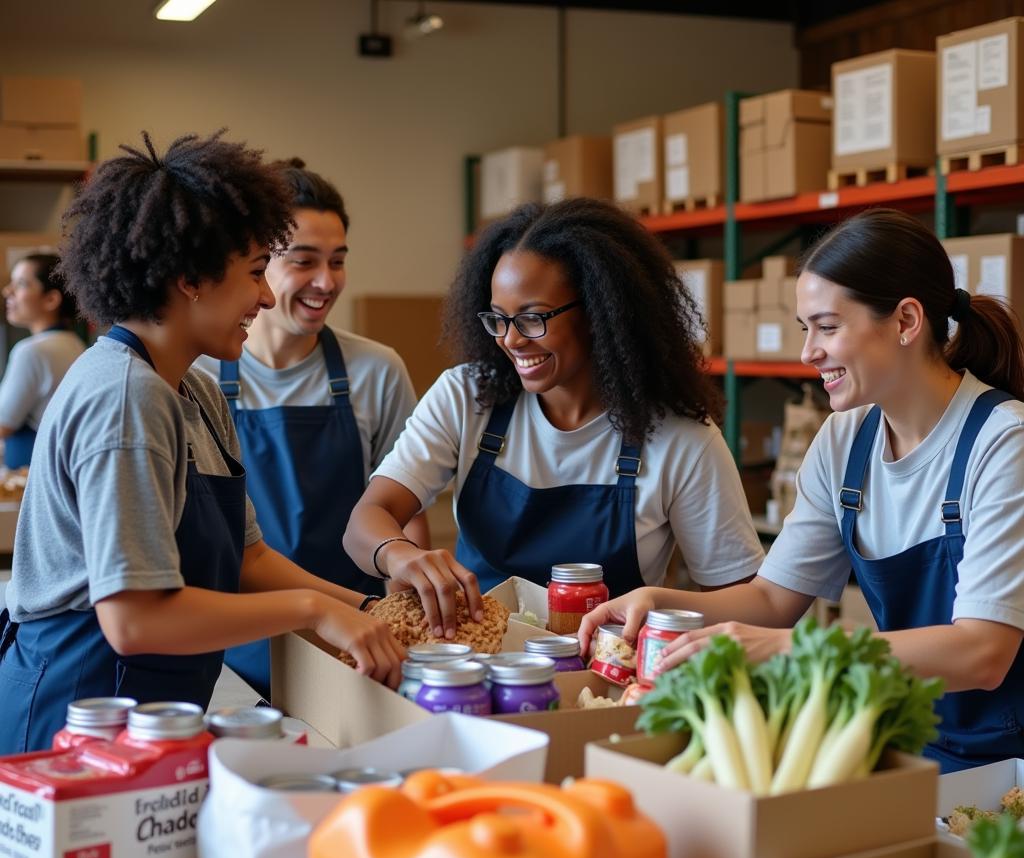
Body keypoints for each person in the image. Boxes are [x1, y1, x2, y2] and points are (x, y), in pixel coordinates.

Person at [0, 131, 404, 755]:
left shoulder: (193, 391)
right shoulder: (127, 398)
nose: (266, 296)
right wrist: (314, 611)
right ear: (190, 277)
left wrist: (369, 609)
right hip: (75, 721)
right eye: (253, 273)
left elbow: (248, 560)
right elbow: (134, 620)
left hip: (146, 717)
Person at [580, 207, 1024, 773]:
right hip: (904, 742)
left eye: (828, 326)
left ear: (907, 321)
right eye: (804, 328)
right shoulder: (844, 441)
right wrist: (665, 603)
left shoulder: (1003, 443)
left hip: (1005, 765)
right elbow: (773, 601)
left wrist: (788, 650)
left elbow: (983, 651)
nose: (807, 352)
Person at [343, 197, 764, 639]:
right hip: (475, 666)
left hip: (600, 683)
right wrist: (399, 554)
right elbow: (366, 520)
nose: (510, 340)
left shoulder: (681, 439)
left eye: (531, 318)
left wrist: (661, 604)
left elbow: (744, 602)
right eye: (498, 319)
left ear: (601, 311)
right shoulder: (469, 396)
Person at [194, 159, 426, 695]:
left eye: (338, 261)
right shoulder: (198, 375)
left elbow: (403, 511)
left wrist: (405, 619)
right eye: (304, 261)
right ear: (255, 263)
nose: (326, 282)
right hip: (235, 642)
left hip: (354, 638)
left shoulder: (376, 369)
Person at [0, 253, 85, 467]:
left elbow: (3, 424)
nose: (7, 291)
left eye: (21, 284)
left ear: (51, 299)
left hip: (30, 475)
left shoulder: (31, 351)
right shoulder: (76, 344)